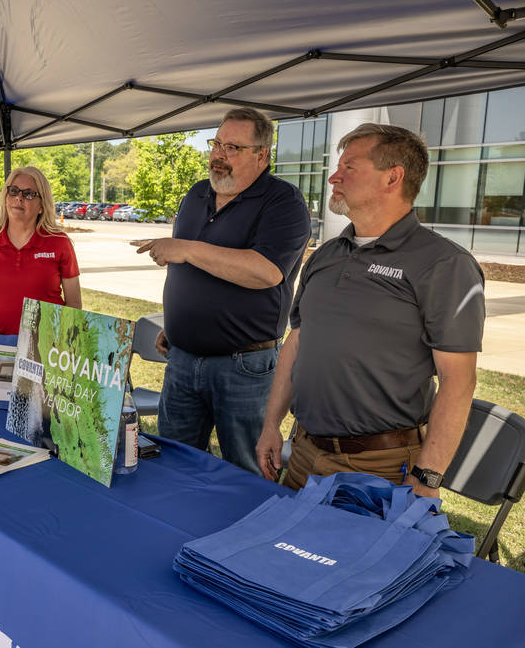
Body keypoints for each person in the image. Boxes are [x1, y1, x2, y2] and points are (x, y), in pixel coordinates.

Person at [255, 123, 485, 498]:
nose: (333, 176)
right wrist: (271, 425)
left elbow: (458, 382)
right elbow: (297, 341)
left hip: (379, 466)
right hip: (303, 452)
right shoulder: (326, 255)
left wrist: (427, 477)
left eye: (349, 167)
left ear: (393, 177)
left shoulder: (445, 264)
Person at [136, 107, 311, 474]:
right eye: (216, 144)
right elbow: (195, 274)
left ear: (262, 155)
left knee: (245, 473)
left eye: (233, 148)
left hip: (243, 366)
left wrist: (185, 248)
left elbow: (265, 272)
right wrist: (180, 323)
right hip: (182, 359)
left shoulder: (283, 202)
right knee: (173, 465)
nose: (218, 155)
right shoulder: (197, 194)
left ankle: (246, 534)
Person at [0, 166, 82, 350]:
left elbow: (73, 303)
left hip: (41, 352)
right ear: (6, 197)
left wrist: (63, 345)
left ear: (42, 205)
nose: (18, 198)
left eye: (28, 194)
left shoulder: (59, 243)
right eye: (13, 191)